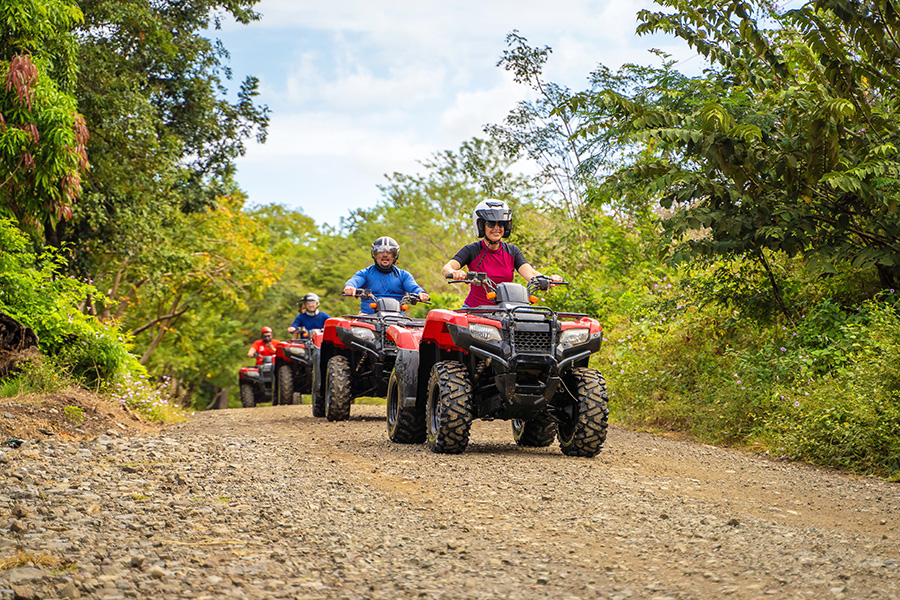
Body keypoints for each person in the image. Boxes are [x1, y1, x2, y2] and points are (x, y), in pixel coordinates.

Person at [441, 199, 563, 307]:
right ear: (481, 226)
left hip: (504, 311)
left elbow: (530, 273)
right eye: (491, 223)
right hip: (474, 311)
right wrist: (454, 272)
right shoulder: (472, 250)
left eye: (501, 224)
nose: (496, 228)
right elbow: (447, 268)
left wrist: (547, 279)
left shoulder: (512, 251)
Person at [343, 236, 430, 314]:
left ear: (395, 256)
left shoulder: (404, 275)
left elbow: (413, 287)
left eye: (389, 252)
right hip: (367, 318)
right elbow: (354, 281)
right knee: (355, 330)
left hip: (397, 320)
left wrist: (421, 293)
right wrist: (350, 287)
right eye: (380, 252)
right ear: (374, 255)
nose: (385, 255)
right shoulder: (365, 273)